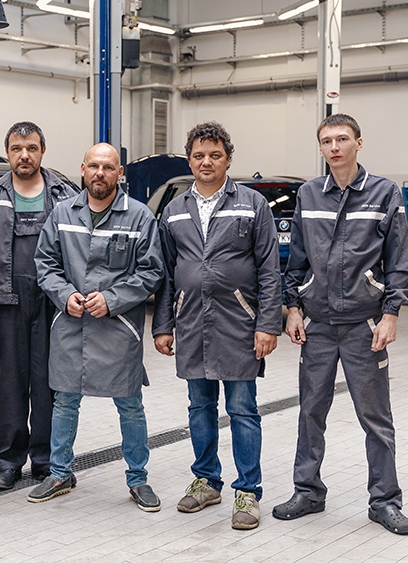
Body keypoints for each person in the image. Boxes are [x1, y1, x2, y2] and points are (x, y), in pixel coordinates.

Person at [272, 114, 408, 535]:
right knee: (310, 412)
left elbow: (399, 259)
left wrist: (391, 313)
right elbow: (297, 259)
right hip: (317, 323)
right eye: (326, 141)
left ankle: (385, 501)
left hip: (363, 324)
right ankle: (308, 492)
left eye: (342, 139)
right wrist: (293, 307)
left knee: (375, 417)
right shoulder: (309, 193)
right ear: (320, 148)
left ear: (358, 143)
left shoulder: (384, 192)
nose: (334, 147)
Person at [152, 121, 281, 529]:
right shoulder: (174, 210)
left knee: (242, 408)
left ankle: (248, 491)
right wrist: (163, 324)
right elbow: (166, 273)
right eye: (198, 155)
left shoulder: (251, 204)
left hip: (239, 322)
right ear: (189, 160)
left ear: (228, 159)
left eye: (215, 155)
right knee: (199, 406)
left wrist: (268, 324)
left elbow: (270, 269)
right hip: (191, 321)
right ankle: (207, 480)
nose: (206, 162)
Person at [29, 143, 165, 512]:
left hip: (117, 327)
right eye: (93, 166)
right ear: (83, 169)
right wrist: (64, 295)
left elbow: (151, 271)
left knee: (130, 404)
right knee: (64, 401)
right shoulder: (62, 213)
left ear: (120, 173)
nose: (99, 173)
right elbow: (45, 263)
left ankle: (138, 479)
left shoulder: (139, 217)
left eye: (107, 167)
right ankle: (60, 473)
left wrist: (112, 299)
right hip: (71, 323)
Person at [0, 122, 77, 491]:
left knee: (50, 382)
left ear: (42, 151)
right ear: (7, 153)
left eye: (31, 148)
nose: (24, 155)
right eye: (17, 149)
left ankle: (48, 460)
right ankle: (7, 462)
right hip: (7, 301)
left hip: (53, 301)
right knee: (8, 385)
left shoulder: (65, 195)